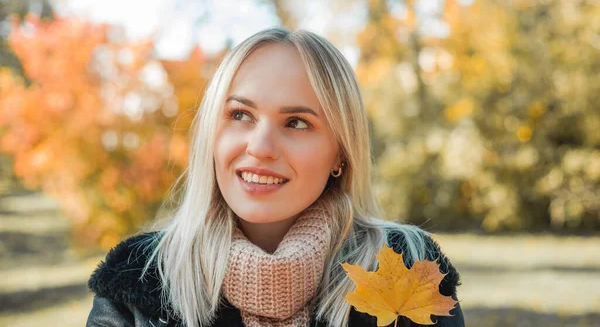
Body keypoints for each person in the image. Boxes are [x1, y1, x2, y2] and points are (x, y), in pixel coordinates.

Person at [86, 28, 465, 327]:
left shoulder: (407, 267)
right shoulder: (137, 278)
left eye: (297, 123)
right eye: (240, 115)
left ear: (341, 153)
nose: (261, 147)